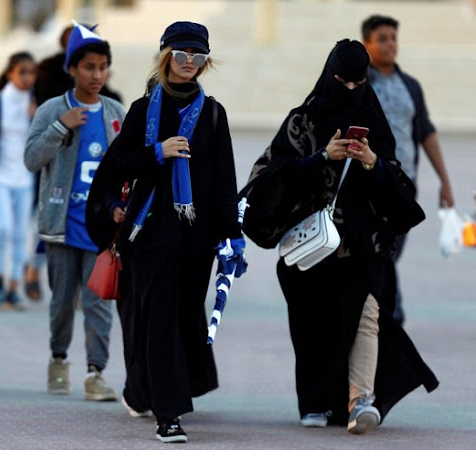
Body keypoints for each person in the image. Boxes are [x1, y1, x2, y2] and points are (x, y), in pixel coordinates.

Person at [239, 39, 439, 434]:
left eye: (358, 83)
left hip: (363, 245)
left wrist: (372, 163)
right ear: (329, 76)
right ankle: (316, 401)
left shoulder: (374, 122)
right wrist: (320, 158)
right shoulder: (304, 121)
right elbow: (265, 180)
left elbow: (398, 185)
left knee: (367, 316)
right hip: (312, 248)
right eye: (341, 82)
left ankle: (360, 400)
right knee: (313, 325)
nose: (350, 91)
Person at [87, 21, 244, 443]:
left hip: (196, 239)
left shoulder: (213, 114)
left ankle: (141, 390)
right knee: (158, 321)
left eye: (198, 56)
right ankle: (168, 415)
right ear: (165, 57)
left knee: (181, 319)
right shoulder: (143, 110)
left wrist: (232, 236)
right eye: (181, 54)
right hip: (149, 235)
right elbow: (115, 168)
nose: (189, 63)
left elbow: (223, 180)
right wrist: (157, 151)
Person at [24, 20, 125, 402]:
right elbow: (32, 159)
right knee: (62, 301)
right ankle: (58, 358)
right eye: (88, 67)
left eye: (102, 67)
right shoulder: (53, 109)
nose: (97, 75)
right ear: (72, 69)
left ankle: (95, 372)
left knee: (99, 302)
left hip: (101, 228)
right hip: (61, 224)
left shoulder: (116, 112)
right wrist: (59, 129)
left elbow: (127, 166)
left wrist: (121, 208)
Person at [361, 14, 455, 326]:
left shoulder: (410, 86)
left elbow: (425, 132)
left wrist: (445, 181)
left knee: (389, 251)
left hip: (403, 184)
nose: (390, 44)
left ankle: (384, 310)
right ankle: (391, 313)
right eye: (382, 38)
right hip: (368, 180)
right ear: (367, 44)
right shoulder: (358, 82)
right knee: (378, 253)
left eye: (393, 38)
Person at [0, 51, 37, 310]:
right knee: (2, 229)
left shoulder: (37, 104)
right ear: (9, 74)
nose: (28, 78)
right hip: (1, 177)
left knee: (19, 233)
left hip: (25, 178)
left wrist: (35, 117)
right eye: (22, 72)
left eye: (31, 72)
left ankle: (14, 287)